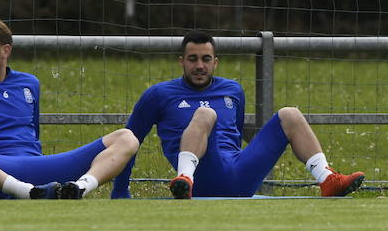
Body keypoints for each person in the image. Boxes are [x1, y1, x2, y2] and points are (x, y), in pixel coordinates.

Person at [111, 31, 364, 199]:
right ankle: (184, 179)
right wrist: (120, 190)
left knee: (290, 114)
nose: (200, 65)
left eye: (206, 59)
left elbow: (234, 134)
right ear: (181, 62)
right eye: (193, 59)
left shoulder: (233, 90)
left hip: (240, 172)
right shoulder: (158, 95)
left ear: (215, 62)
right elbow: (128, 142)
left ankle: (328, 179)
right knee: (205, 114)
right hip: (201, 179)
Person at [0, 19, 138, 200]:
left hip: (41, 168)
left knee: (127, 138)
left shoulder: (30, 83)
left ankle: (77, 189)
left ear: (5, 50)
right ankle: (24, 192)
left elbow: (33, 134)